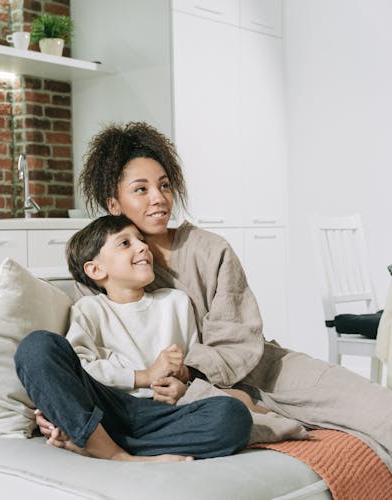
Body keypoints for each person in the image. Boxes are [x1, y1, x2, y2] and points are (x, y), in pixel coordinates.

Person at [37, 121, 392, 468]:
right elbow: (99, 359)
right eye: (141, 189)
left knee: (380, 412)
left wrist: (187, 373)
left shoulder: (210, 250)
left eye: (164, 185)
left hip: (262, 371)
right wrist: (62, 407)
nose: (159, 198)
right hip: (177, 400)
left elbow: (238, 340)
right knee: (232, 416)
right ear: (114, 203)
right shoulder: (101, 266)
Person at [13, 214, 253, 462]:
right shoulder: (89, 309)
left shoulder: (175, 302)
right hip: (105, 408)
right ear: (95, 269)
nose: (143, 247)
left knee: (233, 416)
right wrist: (144, 376)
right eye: (125, 243)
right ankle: (115, 454)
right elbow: (77, 369)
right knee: (36, 347)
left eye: (141, 240)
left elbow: (190, 365)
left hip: (160, 413)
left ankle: (101, 444)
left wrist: (182, 385)